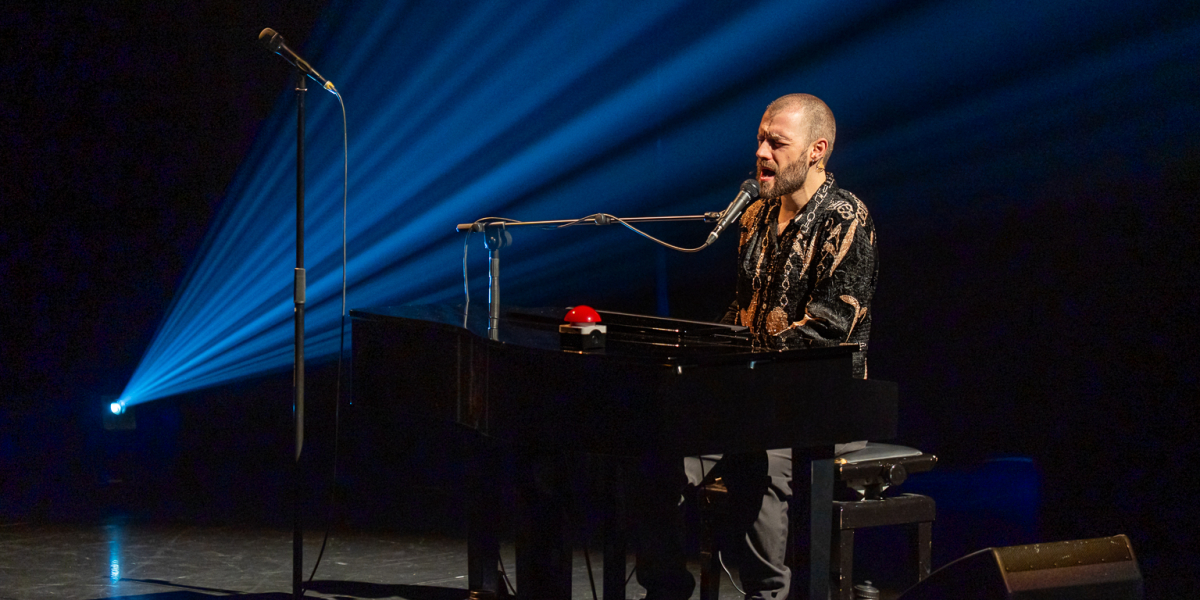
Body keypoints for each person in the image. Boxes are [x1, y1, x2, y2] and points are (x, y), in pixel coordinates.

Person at [635, 93, 878, 600]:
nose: (762, 152)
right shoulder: (755, 216)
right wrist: (699, 354)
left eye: (778, 143)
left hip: (822, 403)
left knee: (758, 456)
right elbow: (740, 312)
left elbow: (830, 328)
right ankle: (664, 589)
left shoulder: (845, 216)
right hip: (749, 395)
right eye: (761, 139)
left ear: (817, 150)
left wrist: (745, 371)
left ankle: (767, 595)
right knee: (657, 446)